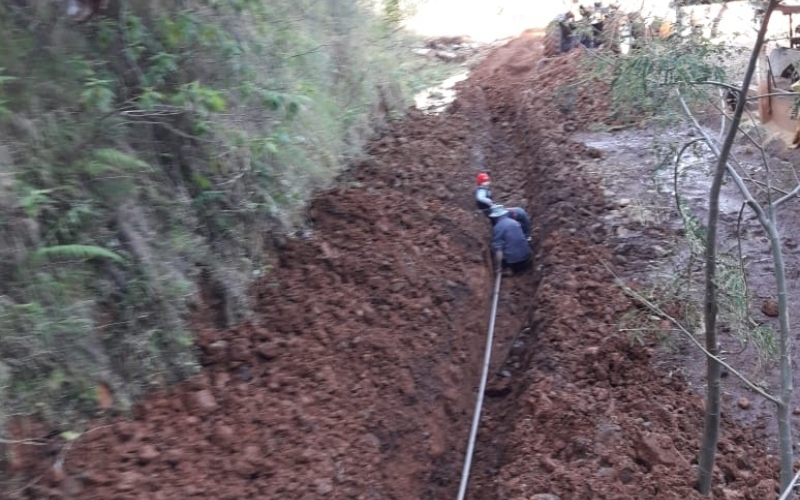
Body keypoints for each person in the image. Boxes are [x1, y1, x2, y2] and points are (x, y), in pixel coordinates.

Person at [474, 172, 532, 241]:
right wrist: (490, 202)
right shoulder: (482, 190)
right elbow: (480, 197)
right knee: (520, 212)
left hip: (492, 211)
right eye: (485, 181)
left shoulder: (483, 189)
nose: (487, 183)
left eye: (488, 180)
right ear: (480, 182)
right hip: (492, 213)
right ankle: (526, 236)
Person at [489, 205, 532, 276]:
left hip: (514, 261)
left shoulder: (497, 227)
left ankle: (511, 270)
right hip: (527, 256)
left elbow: (498, 249)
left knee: (497, 248)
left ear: (495, 217)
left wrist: (499, 266)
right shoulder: (514, 222)